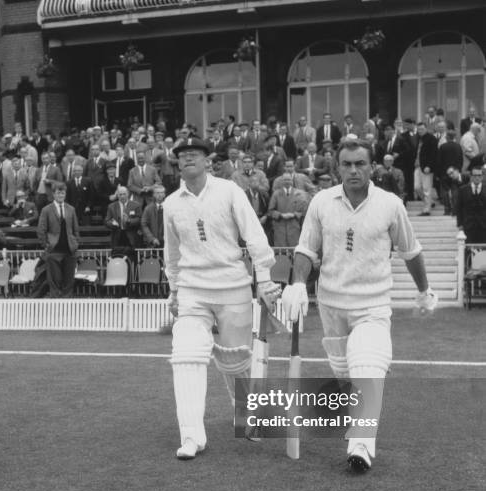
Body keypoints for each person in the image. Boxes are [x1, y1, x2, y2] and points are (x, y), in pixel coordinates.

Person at [281, 139, 437, 471]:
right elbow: (306, 250)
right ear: (337, 167)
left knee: (367, 364)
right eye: (347, 164)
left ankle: (361, 445)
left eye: (360, 164)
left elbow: (411, 252)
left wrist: (424, 291)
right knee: (346, 374)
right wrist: (296, 283)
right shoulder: (322, 202)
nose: (354, 170)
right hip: (331, 304)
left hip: (373, 304)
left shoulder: (390, 204)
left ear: (372, 166)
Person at [163, 137, 281, 460]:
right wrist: (174, 290)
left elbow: (254, 236)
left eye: (193, 156)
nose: (187, 160)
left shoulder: (230, 192)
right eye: (182, 157)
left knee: (236, 359)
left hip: (232, 285)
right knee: (186, 353)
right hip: (192, 290)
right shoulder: (171, 204)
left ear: (207, 162)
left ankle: (248, 414)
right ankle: (191, 436)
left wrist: (265, 280)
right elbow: (171, 253)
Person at [37, 183, 79, 298]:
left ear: (65, 194)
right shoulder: (46, 210)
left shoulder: (71, 209)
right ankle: (55, 305)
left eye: (63, 193)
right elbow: (41, 230)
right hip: (54, 250)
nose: (60, 195)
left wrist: (75, 243)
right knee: (54, 281)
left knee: (69, 281)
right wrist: (46, 245)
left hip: (70, 250)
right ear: (53, 194)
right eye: (58, 193)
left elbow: (75, 229)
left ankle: (67, 305)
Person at [456, 167, 486, 243]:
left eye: (479, 175)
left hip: (484, 226)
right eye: (475, 175)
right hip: (468, 226)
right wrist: (460, 224)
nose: (477, 177)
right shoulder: (463, 190)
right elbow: (459, 208)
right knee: (468, 250)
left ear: (482, 176)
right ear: (471, 176)